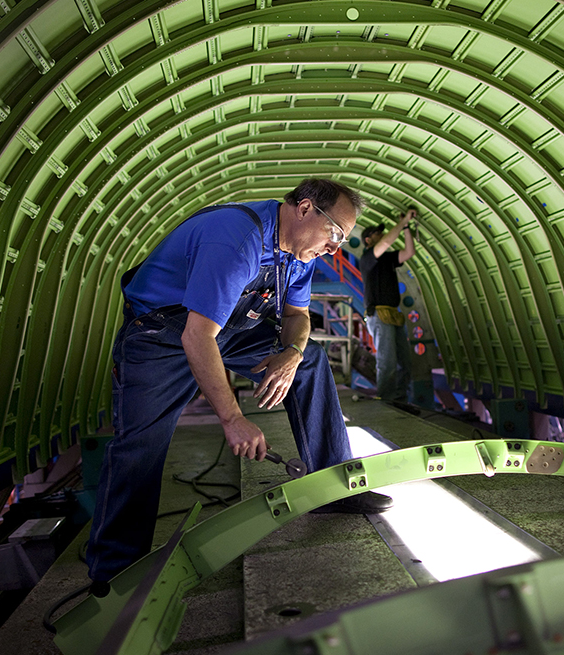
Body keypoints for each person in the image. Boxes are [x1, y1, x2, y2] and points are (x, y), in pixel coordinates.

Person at [86, 179, 394, 593]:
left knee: (311, 361)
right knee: (140, 444)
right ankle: (115, 573)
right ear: (304, 209)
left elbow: (298, 317)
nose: (334, 248)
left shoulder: (299, 254)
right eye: (334, 233)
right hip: (161, 332)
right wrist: (232, 418)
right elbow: (197, 337)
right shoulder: (237, 239)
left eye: (342, 239)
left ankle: (333, 484)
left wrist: (292, 354)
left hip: (228, 328)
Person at [359, 208, 416, 402]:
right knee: (387, 361)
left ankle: (399, 398)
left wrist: (406, 227)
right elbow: (386, 242)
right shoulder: (367, 259)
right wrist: (401, 223)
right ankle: (387, 400)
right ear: (369, 240)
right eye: (377, 233)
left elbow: (409, 252)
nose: (382, 235)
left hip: (393, 313)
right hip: (379, 315)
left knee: (404, 362)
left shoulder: (387, 259)